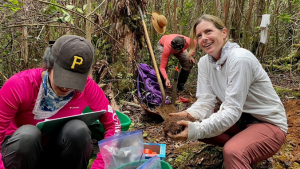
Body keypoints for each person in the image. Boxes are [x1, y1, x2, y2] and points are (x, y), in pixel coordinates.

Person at [168, 15, 287, 168]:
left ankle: (239, 150)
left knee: (233, 152)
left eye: (208, 31)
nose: (204, 38)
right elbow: (206, 99)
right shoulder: (205, 62)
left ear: (224, 32)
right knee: (194, 123)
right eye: (199, 35)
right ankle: (243, 144)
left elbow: (231, 109)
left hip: (267, 123)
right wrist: (189, 115)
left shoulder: (240, 59)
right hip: (240, 121)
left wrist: (195, 130)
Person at [0, 35, 121, 169]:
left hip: (56, 152)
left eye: (74, 81)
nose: (66, 87)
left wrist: (99, 166)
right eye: (62, 78)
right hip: (20, 154)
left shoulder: (88, 87)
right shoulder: (19, 85)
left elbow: (113, 125)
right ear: (49, 65)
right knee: (28, 135)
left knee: (78, 130)